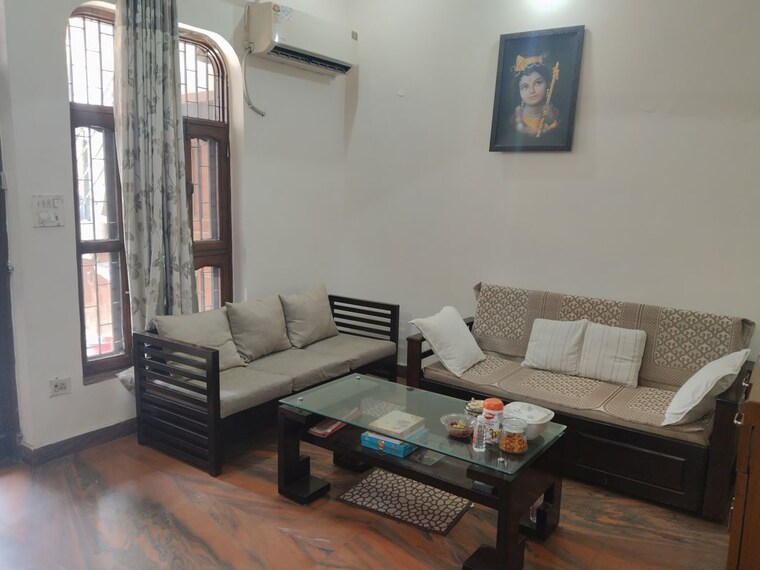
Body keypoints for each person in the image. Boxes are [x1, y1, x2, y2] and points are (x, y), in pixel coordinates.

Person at [509, 55, 559, 137]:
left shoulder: (556, 116)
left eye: (538, 83)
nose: (532, 91)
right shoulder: (514, 120)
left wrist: (550, 121)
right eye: (525, 86)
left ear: (548, 85)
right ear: (519, 91)